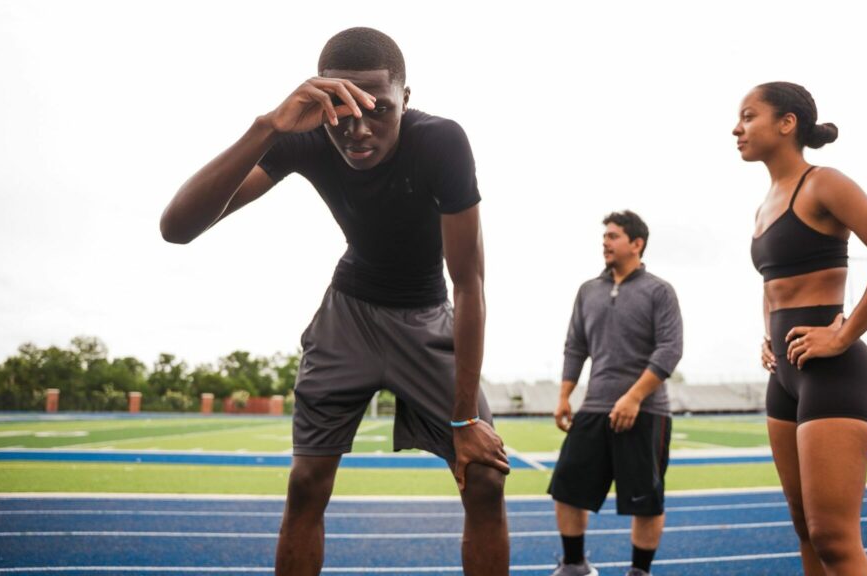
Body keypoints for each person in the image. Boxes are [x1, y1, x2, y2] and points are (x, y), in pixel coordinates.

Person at [159, 27, 510, 576]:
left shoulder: (441, 142)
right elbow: (177, 228)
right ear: (321, 100)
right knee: (305, 483)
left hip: (426, 315)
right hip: (347, 315)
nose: (359, 129)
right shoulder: (301, 138)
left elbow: (468, 282)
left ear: (406, 99)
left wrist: (465, 417)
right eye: (341, 110)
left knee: (486, 477)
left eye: (380, 110)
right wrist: (268, 127)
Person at [735, 82, 867, 575]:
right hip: (786, 377)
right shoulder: (764, 205)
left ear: (786, 123)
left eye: (749, 116)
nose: (737, 128)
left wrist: (843, 334)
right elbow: (772, 284)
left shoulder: (823, 183)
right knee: (804, 531)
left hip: (833, 372)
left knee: (834, 538)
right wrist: (768, 336)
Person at [547, 211, 683, 576]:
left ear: (636, 244)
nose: (605, 241)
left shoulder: (659, 291)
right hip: (594, 407)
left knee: (645, 502)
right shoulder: (587, 290)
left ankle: (639, 571)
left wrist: (634, 397)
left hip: (646, 411)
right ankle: (574, 565)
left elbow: (669, 349)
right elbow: (575, 346)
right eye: (604, 236)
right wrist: (564, 395)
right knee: (566, 489)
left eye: (613, 236)